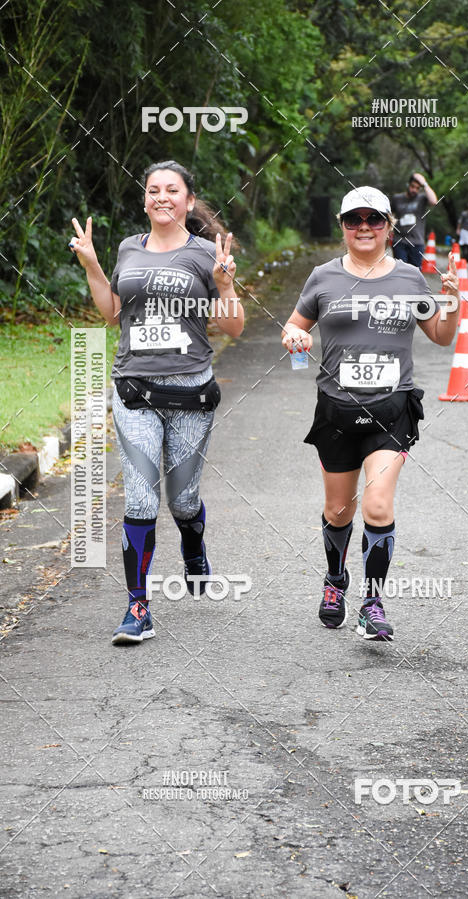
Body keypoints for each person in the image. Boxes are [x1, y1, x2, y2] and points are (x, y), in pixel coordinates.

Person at [69, 160, 244, 645]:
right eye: (152, 190)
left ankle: (194, 546)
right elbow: (112, 316)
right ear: (144, 200)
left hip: (191, 392)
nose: (161, 197)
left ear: (189, 201)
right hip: (134, 391)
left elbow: (233, 328)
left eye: (172, 190)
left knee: (183, 501)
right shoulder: (129, 248)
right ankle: (137, 607)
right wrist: (92, 265)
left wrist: (226, 285)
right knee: (142, 496)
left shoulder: (207, 253)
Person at [281, 186, 460, 642]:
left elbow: (440, 335)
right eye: (354, 220)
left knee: (378, 504)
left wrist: (453, 302)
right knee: (339, 509)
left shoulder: (409, 278)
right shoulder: (322, 277)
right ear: (342, 226)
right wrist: (294, 339)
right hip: (336, 411)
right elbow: (294, 326)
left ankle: (373, 602)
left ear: (388, 227)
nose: (364, 228)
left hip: (392, 408)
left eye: (374, 220)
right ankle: (335, 581)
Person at [390, 173, 438, 267]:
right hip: (400, 241)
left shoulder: (422, 198)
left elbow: (434, 201)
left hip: (417, 242)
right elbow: (390, 215)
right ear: (408, 185)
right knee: (400, 271)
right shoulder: (397, 198)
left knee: (415, 273)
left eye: (417, 188)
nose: (414, 190)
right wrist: (389, 231)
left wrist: (425, 184)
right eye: (412, 187)